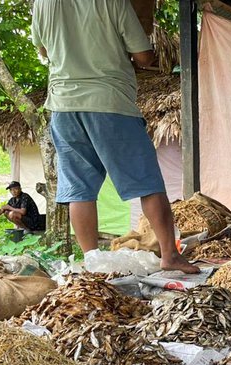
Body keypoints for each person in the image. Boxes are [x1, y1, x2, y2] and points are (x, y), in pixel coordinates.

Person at [31, 0, 198, 273]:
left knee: (79, 189)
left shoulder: (43, 3)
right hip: (109, 104)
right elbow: (144, 56)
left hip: (63, 107)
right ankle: (170, 255)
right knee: (147, 183)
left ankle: (92, 261)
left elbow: (44, 50)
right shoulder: (113, 2)